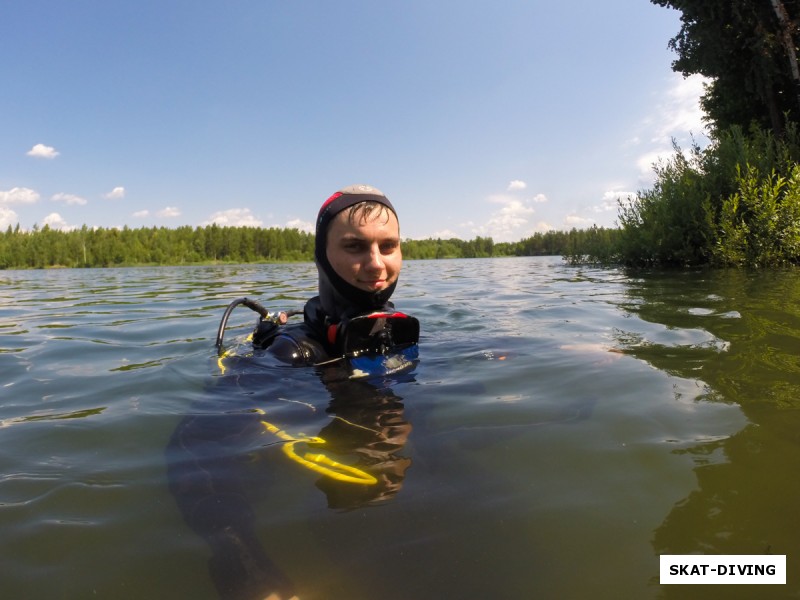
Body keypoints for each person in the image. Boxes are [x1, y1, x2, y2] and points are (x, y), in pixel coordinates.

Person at [167, 185, 418, 600]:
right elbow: (194, 448)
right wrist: (247, 569)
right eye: (355, 246)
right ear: (322, 256)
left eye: (388, 246)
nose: (376, 264)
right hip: (332, 498)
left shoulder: (398, 333)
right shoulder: (294, 354)